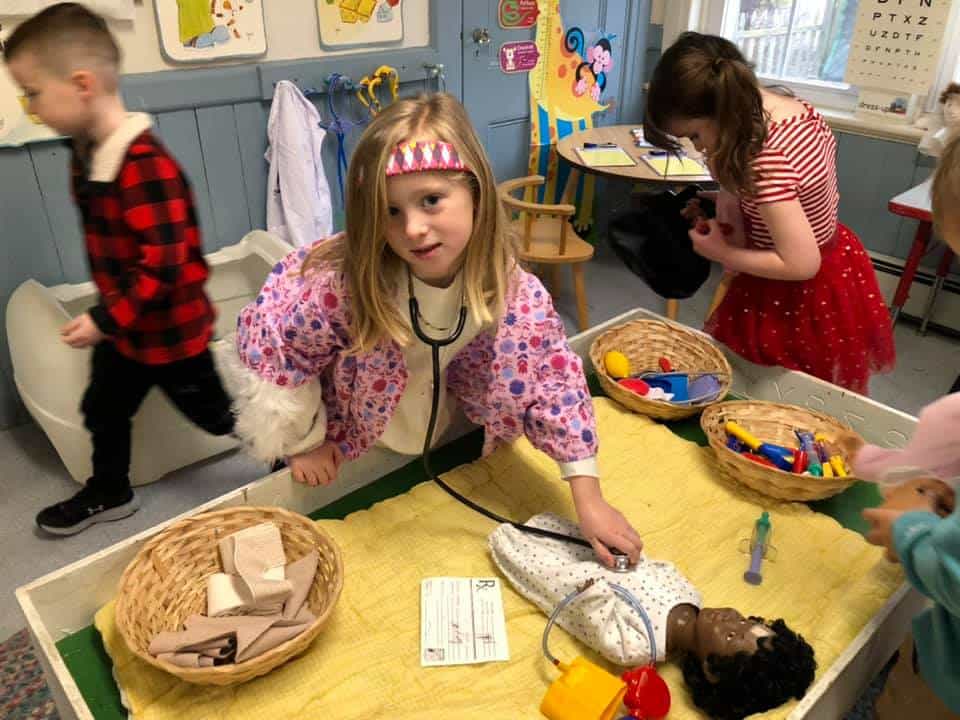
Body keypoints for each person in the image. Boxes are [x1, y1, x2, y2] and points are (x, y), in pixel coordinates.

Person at [224, 92, 643, 568]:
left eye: (431, 200)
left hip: (430, 430)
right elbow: (283, 355)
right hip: (337, 439)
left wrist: (587, 498)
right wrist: (305, 444)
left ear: (476, 193)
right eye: (392, 211)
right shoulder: (339, 287)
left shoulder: (512, 292)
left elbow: (553, 380)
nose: (414, 229)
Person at [4, 3, 235, 535]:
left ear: (81, 84)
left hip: (174, 337)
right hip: (128, 331)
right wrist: (112, 322)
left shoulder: (145, 167)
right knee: (102, 407)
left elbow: (167, 266)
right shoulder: (88, 152)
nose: (32, 108)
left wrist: (104, 320)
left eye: (33, 93)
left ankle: (288, 453)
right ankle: (110, 489)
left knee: (217, 416)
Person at [643, 32, 895, 395]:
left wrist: (721, 253)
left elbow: (801, 263)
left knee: (776, 390)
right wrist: (721, 198)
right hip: (834, 258)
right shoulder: (791, 109)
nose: (698, 148)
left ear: (721, 111)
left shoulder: (765, 160)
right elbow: (790, 198)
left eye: (696, 136)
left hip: (797, 289)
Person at [490, 513, 816, 720]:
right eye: (744, 620)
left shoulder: (640, 649)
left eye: (732, 637)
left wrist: (594, 590)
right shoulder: (693, 597)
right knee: (559, 526)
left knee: (530, 553)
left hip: (568, 579)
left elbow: (596, 620)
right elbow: (657, 568)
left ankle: (514, 537)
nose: (729, 620)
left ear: (711, 670)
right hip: (595, 553)